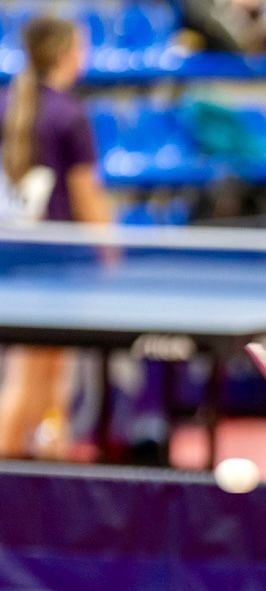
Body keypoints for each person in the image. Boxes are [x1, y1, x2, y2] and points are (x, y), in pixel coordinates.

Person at [0, 16, 111, 459]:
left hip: (16, 258)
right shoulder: (69, 115)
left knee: (47, 373)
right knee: (33, 376)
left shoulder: (7, 103)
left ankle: (52, 460)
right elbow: (87, 198)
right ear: (68, 53)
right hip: (56, 263)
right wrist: (110, 252)